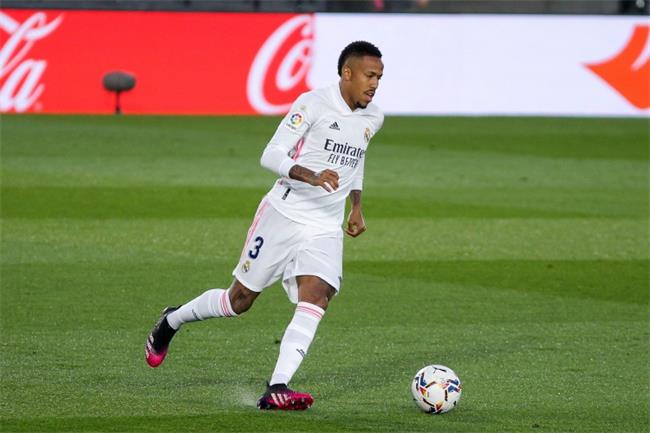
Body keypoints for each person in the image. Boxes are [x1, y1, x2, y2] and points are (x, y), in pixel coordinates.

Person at [144, 40, 384, 411]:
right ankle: (172, 321)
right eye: (369, 76)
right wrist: (311, 175)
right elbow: (270, 154)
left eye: (380, 77)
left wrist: (356, 205)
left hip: (325, 226)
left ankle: (277, 386)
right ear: (347, 73)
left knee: (318, 295)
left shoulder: (374, 117)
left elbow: (357, 157)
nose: (375, 84)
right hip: (283, 214)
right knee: (238, 301)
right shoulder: (313, 104)